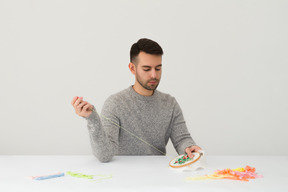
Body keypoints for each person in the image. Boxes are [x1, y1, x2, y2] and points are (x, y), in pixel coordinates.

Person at [71, 38, 201, 162]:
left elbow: (182, 139)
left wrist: (188, 147)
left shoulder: (170, 103)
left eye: (158, 68)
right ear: (132, 68)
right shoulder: (115, 103)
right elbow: (104, 155)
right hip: (122, 177)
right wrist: (92, 119)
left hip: (158, 176)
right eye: (147, 69)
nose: (154, 75)